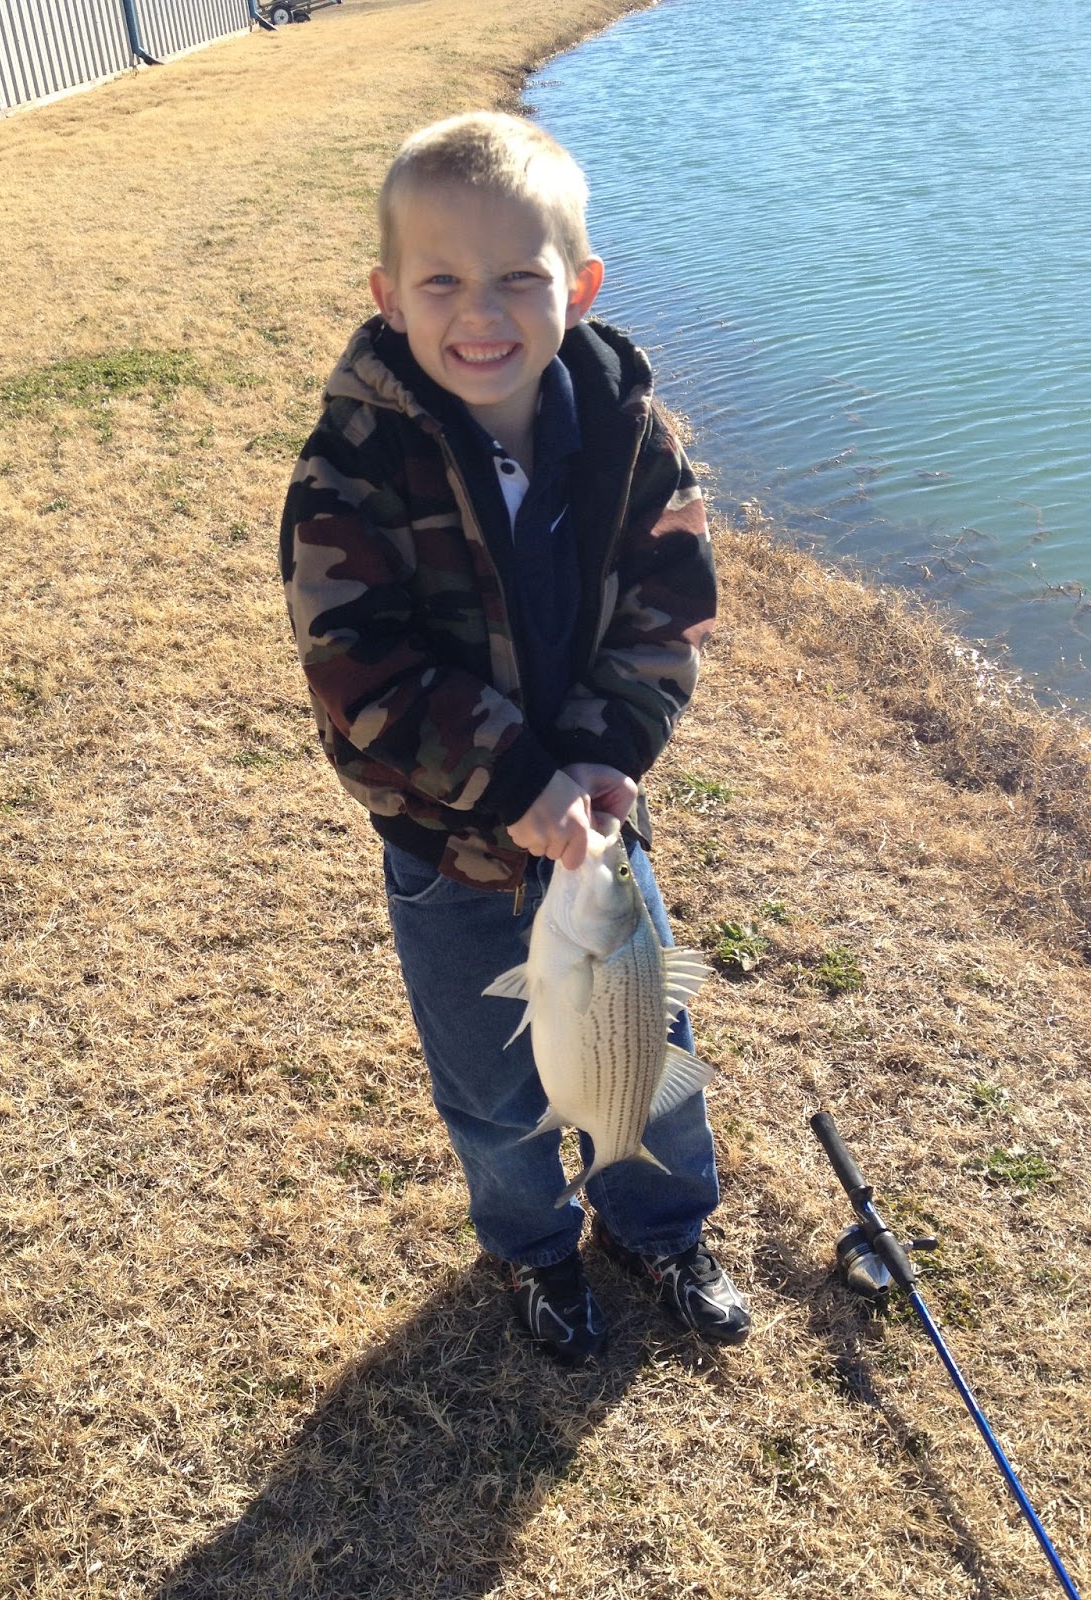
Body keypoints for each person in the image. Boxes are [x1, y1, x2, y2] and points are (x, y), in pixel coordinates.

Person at [281, 111, 749, 1364]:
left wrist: (604, 756)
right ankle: (534, 1247)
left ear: (579, 285)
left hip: (599, 829)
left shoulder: (627, 431)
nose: (479, 313)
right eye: (440, 281)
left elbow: (669, 604)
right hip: (450, 850)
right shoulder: (355, 464)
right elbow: (357, 670)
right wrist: (515, 785)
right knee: (493, 1087)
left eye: (519, 278)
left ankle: (661, 1221)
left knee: (647, 1050)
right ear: (388, 296)